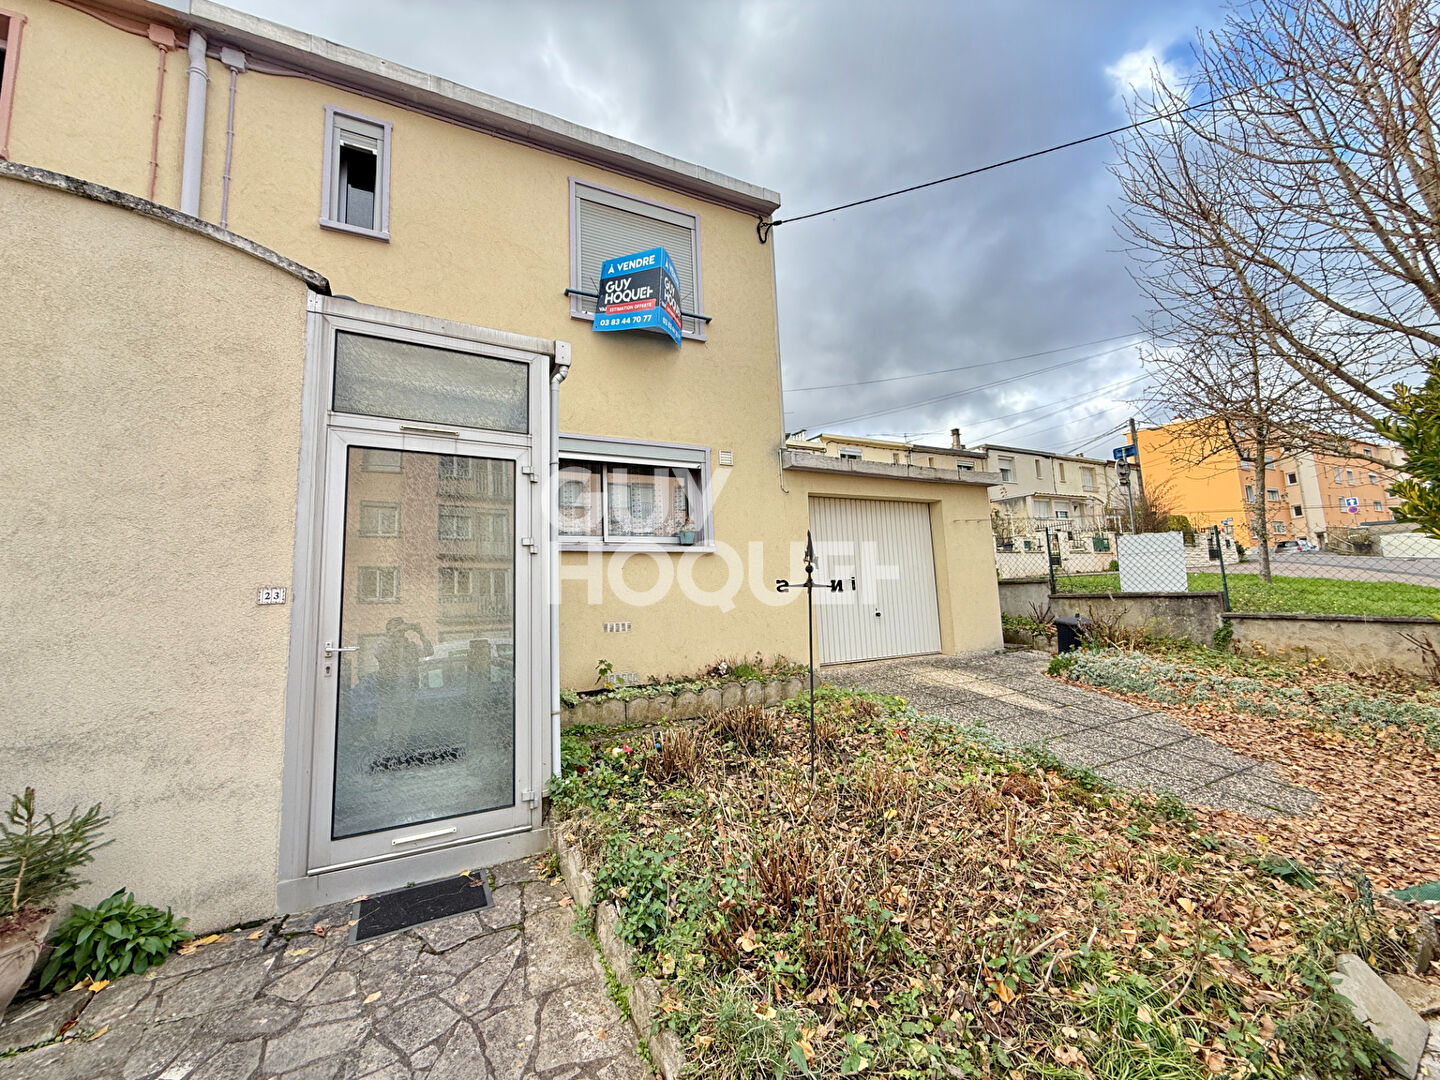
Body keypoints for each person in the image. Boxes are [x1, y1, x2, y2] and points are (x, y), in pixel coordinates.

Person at [373, 617, 433, 762]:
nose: (399, 632)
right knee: (385, 725)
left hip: (409, 691)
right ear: (388, 631)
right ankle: (381, 756)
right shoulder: (384, 645)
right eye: (395, 628)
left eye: (401, 628)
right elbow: (377, 653)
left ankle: (398, 754)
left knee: (404, 725)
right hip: (389, 691)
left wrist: (421, 634)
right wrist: (391, 636)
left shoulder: (411, 646)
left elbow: (429, 652)